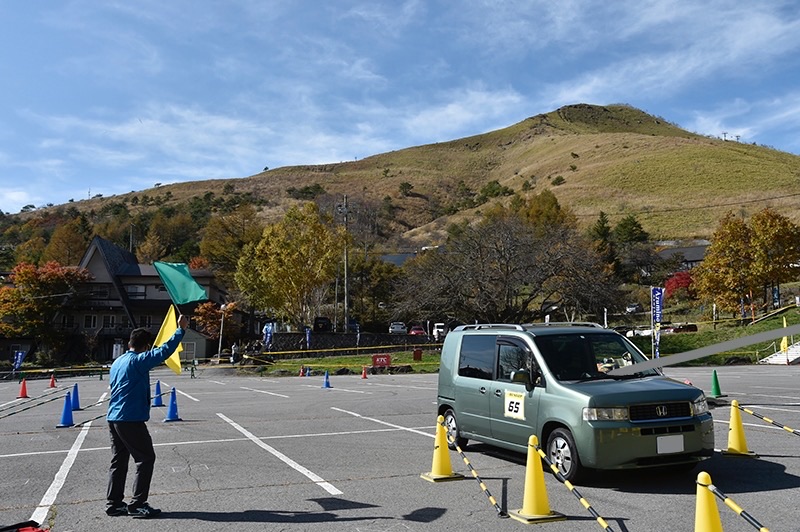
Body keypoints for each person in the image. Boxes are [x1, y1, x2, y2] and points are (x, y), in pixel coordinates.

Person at [105, 314, 189, 519]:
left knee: (119, 460)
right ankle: (138, 503)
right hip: (130, 418)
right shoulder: (138, 361)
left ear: (129, 343)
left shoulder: (119, 361)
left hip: (113, 417)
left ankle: (114, 503)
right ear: (146, 346)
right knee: (145, 459)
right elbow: (164, 351)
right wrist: (181, 329)